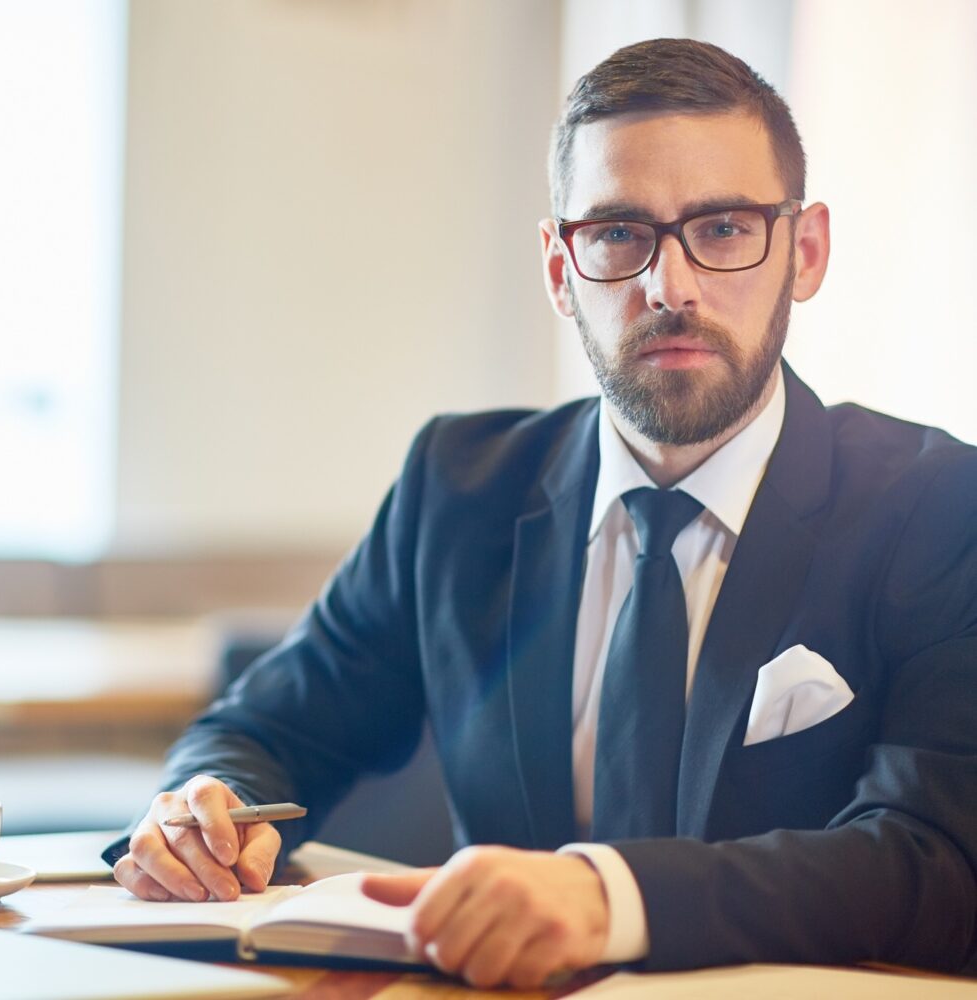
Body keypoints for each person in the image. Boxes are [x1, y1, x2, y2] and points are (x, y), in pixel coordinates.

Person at [105, 37, 977, 989]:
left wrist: (609, 899)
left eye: (724, 229)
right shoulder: (460, 489)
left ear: (804, 253)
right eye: (618, 234)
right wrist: (204, 811)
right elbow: (269, 731)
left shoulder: (938, 507)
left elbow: (936, 862)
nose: (671, 288)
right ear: (561, 270)